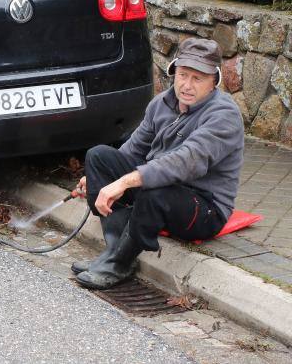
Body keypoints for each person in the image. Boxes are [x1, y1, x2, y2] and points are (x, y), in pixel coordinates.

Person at [72, 37, 244, 290]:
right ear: (174, 72)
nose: (187, 85)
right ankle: (114, 252)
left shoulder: (224, 115)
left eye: (198, 79)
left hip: (204, 207)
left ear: (213, 82)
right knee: (99, 156)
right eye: (183, 75)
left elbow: (184, 162)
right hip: (160, 187)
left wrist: (124, 181)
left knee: (156, 192)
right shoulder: (162, 103)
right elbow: (133, 149)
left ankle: (119, 263)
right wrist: (101, 177)